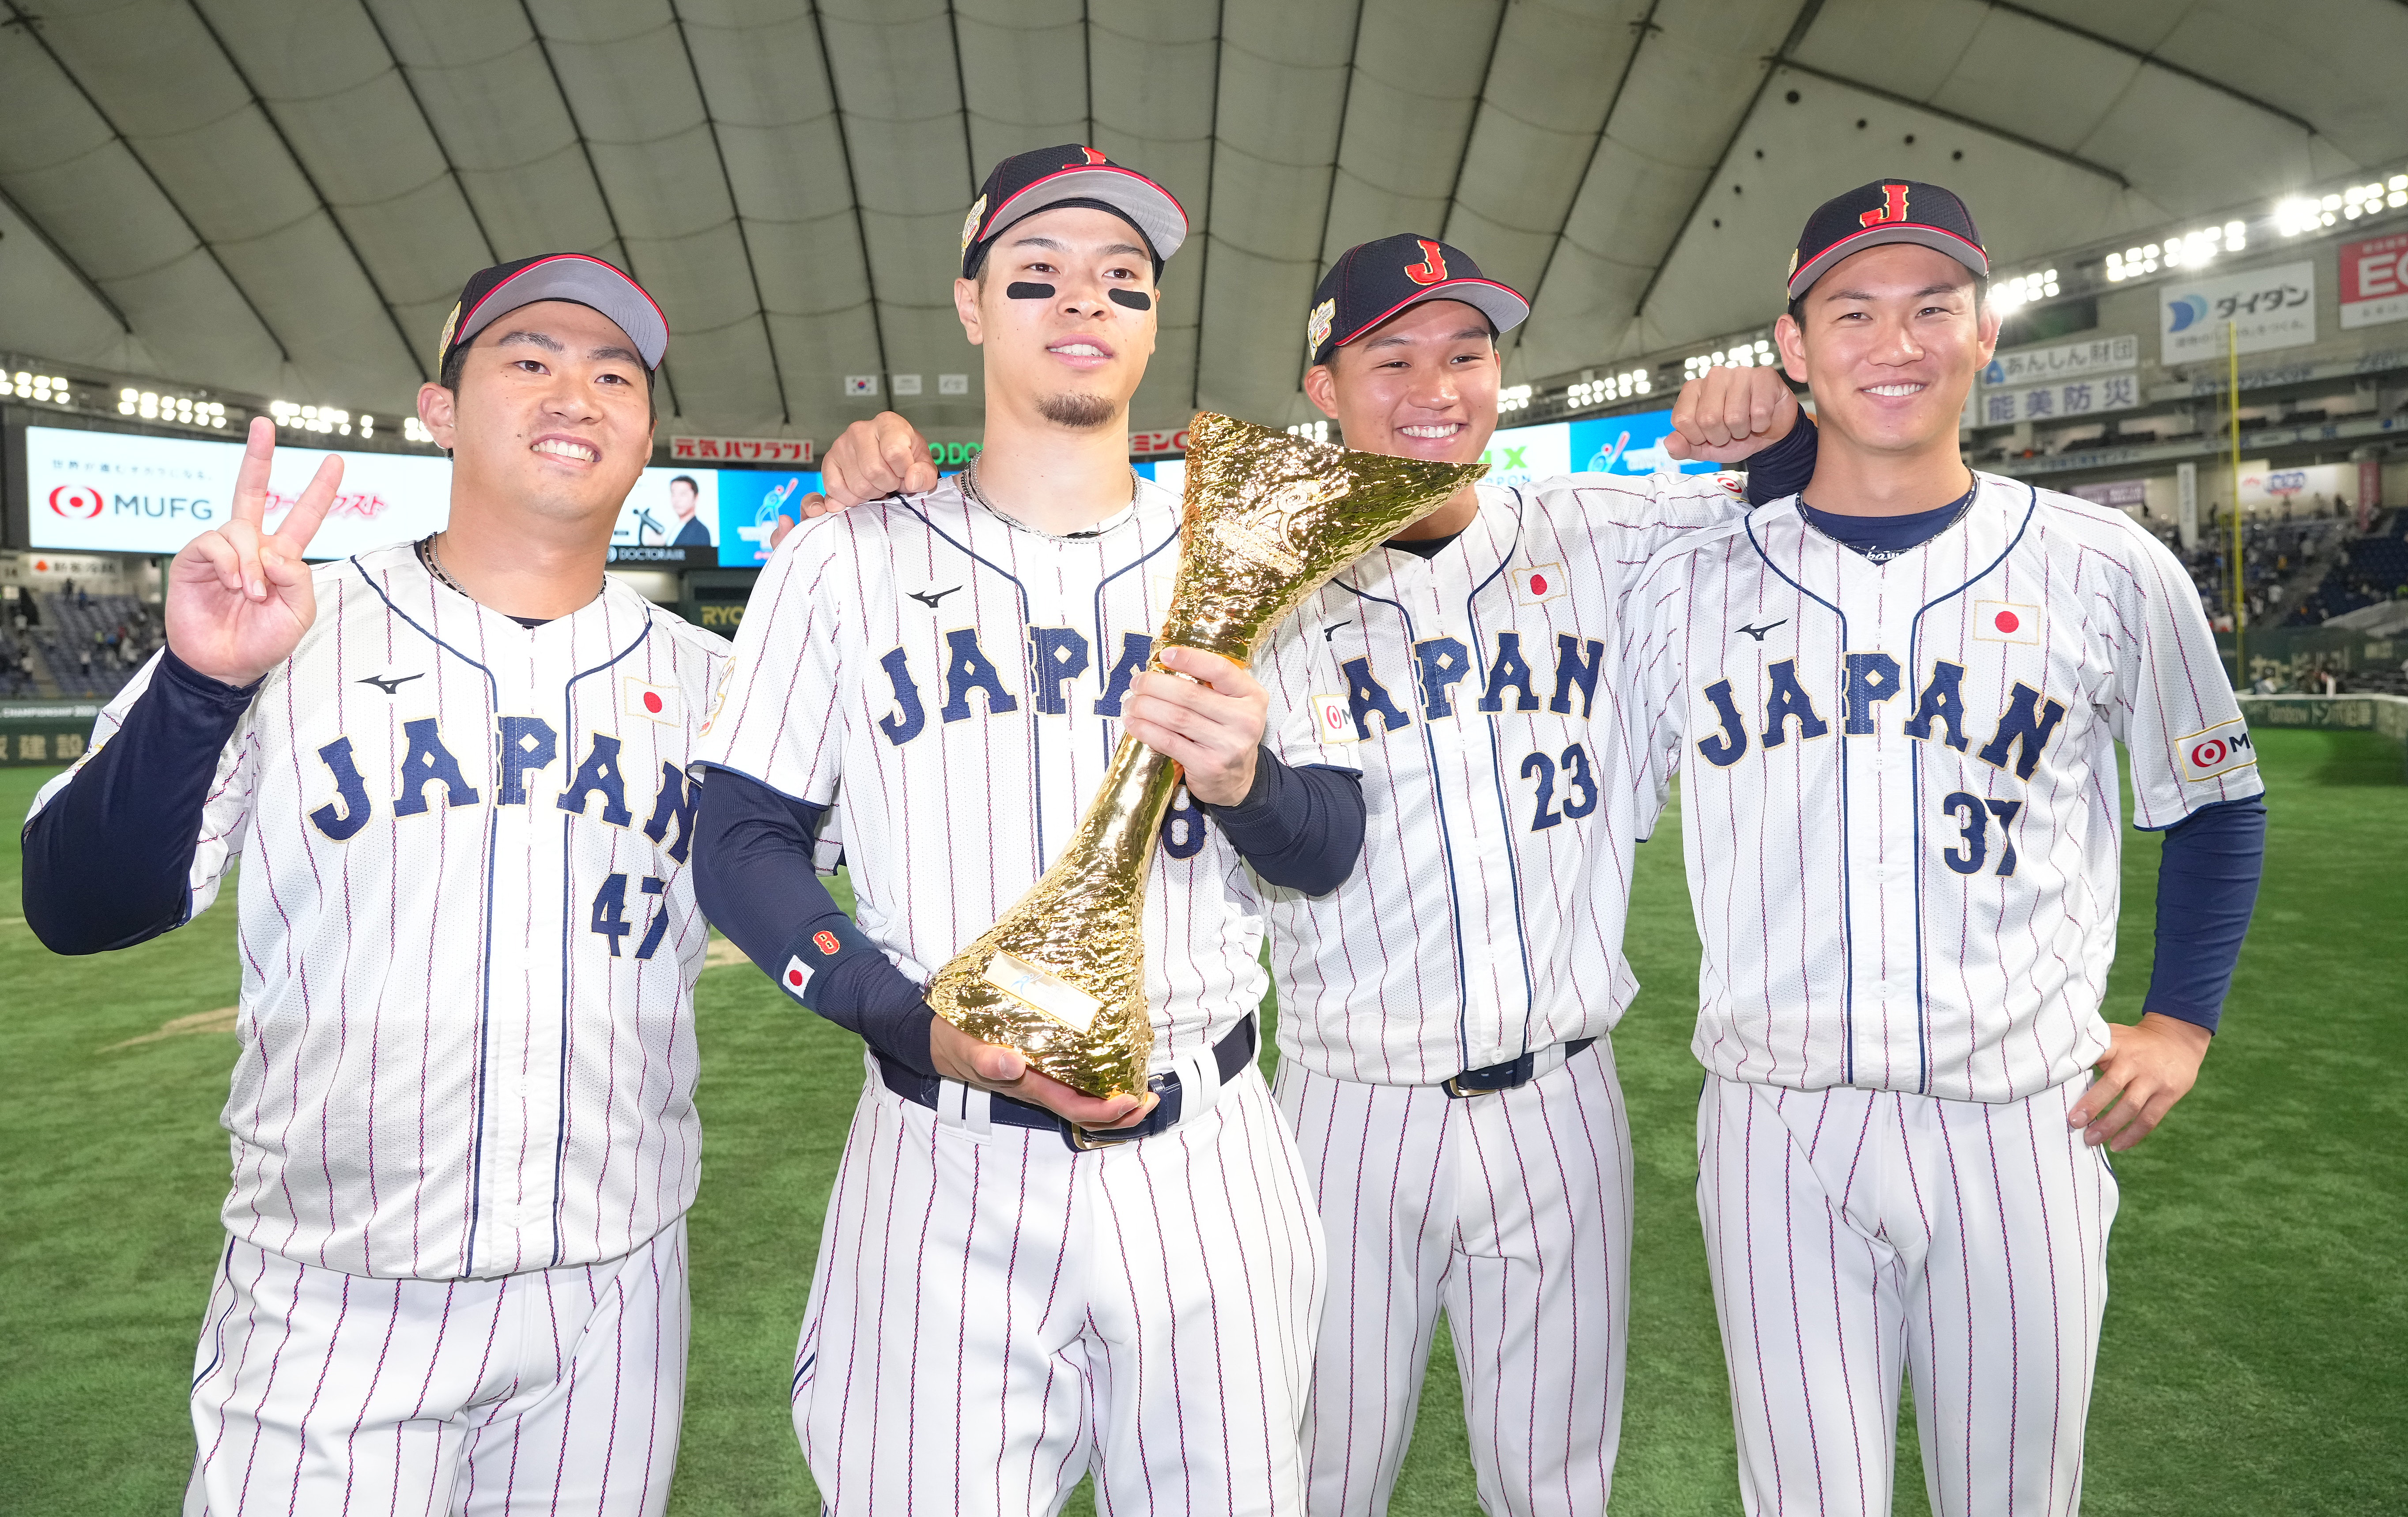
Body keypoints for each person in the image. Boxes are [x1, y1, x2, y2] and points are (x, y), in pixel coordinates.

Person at [806, 230, 1818, 1516]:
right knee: (1315, 1472)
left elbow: (1812, 536)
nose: (1435, 385)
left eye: (1466, 352)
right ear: (1324, 390)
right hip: (1345, 1100)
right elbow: (1031, 533)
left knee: (1561, 1475)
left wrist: (1777, 430)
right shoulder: (1231, 575)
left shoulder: (1603, 529)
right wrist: (888, 464)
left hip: (1566, 1089)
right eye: (1389, 357)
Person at [689, 146, 1352, 1515]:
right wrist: (900, 1010)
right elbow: (742, 838)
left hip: (1207, 1158)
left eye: (1122, 279)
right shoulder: (845, 553)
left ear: (1154, 320)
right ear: (973, 306)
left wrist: (1249, 783)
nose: (1082, 302)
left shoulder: (1239, 556)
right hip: (945, 1160)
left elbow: (1328, 841)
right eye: (1036, 274)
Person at [23, 253, 728, 1517]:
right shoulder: (292, 625)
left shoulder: (720, 684)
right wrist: (199, 685)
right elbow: (81, 904)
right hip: (336, 1295)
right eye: (528, 360)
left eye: (614, 372)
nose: (577, 389)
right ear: (440, 411)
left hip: (619, 1298)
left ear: (645, 431)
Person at [1615, 179, 2267, 1516]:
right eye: (1852, 311)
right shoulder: (1688, 575)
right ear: (1793, 350)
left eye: (1933, 308)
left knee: (2017, 1494)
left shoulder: (2106, 564)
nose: (1894, 341)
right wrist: (1754, 452)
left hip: (2020, 1119)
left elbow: (2214, 798)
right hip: (1777, 1120)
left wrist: (2181, 1024)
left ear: (1985, 339)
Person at [668, 473, 712, 546]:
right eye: (674, 494)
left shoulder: (700, 532)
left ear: (696, 497)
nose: (677, 500)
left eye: (683, 494)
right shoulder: (677, 526)